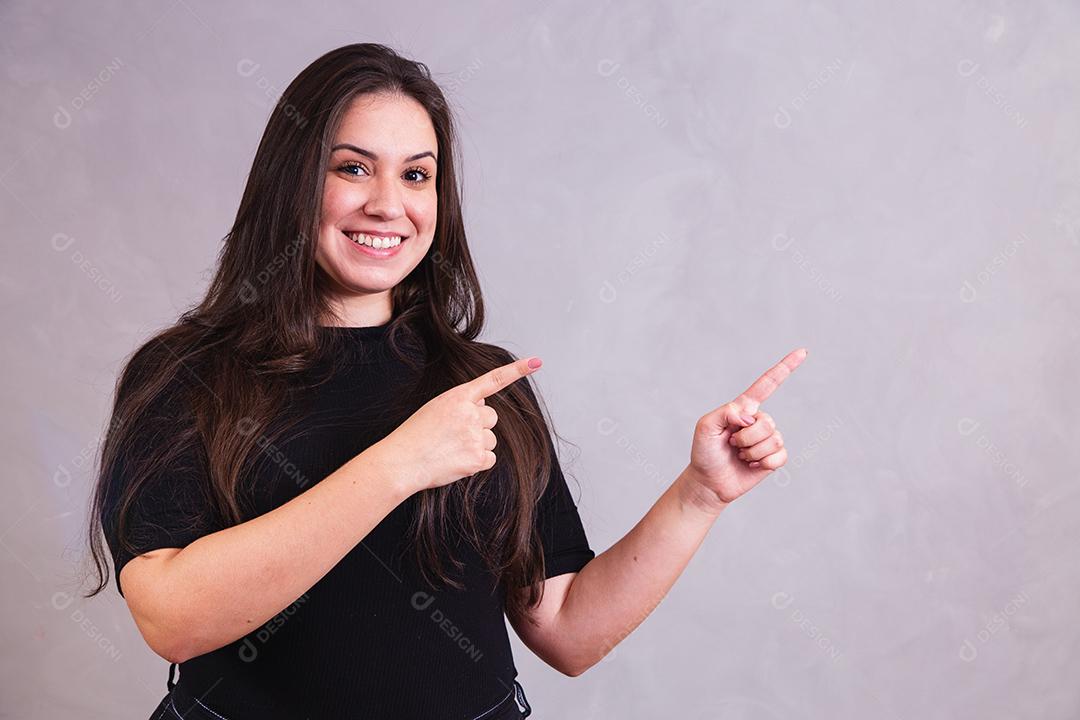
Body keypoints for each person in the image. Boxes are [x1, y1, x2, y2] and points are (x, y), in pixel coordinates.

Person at [84, 43, 806, 720]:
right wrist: (399, 464)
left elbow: (566, 630)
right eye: (352, 168)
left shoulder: (485, 383)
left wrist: (699, 494)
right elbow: (172, 620)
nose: (388, 204)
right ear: (291, 181)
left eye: (416, 175)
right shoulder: (188, 374)